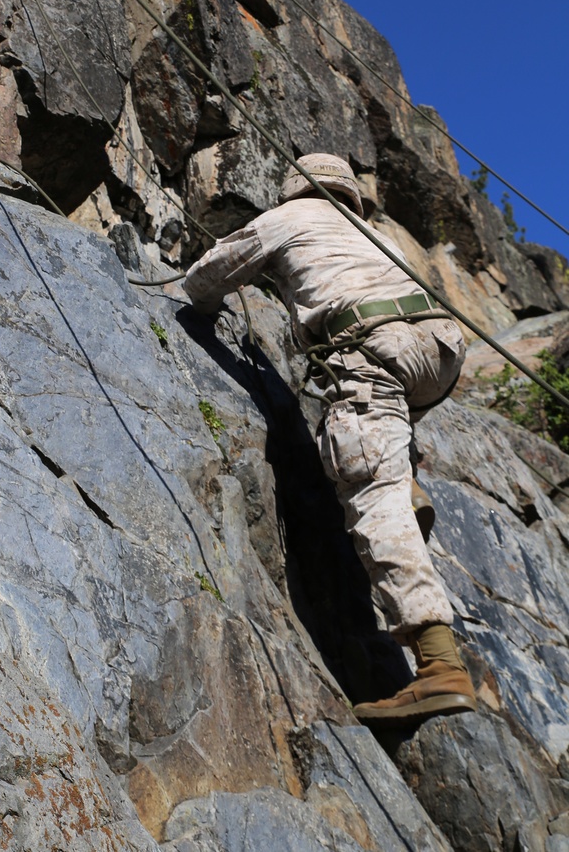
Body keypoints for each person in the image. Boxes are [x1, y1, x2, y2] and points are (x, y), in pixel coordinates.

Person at [183, 152, 477, 724]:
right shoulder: (375, 232)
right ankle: (407, 481)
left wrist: (210, 302)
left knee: (371, 490)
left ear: (295, 190)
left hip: (370, 344)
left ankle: (439, 663)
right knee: (385, 413)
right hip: (439, 352)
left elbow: (205, 277)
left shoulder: (288, 219)